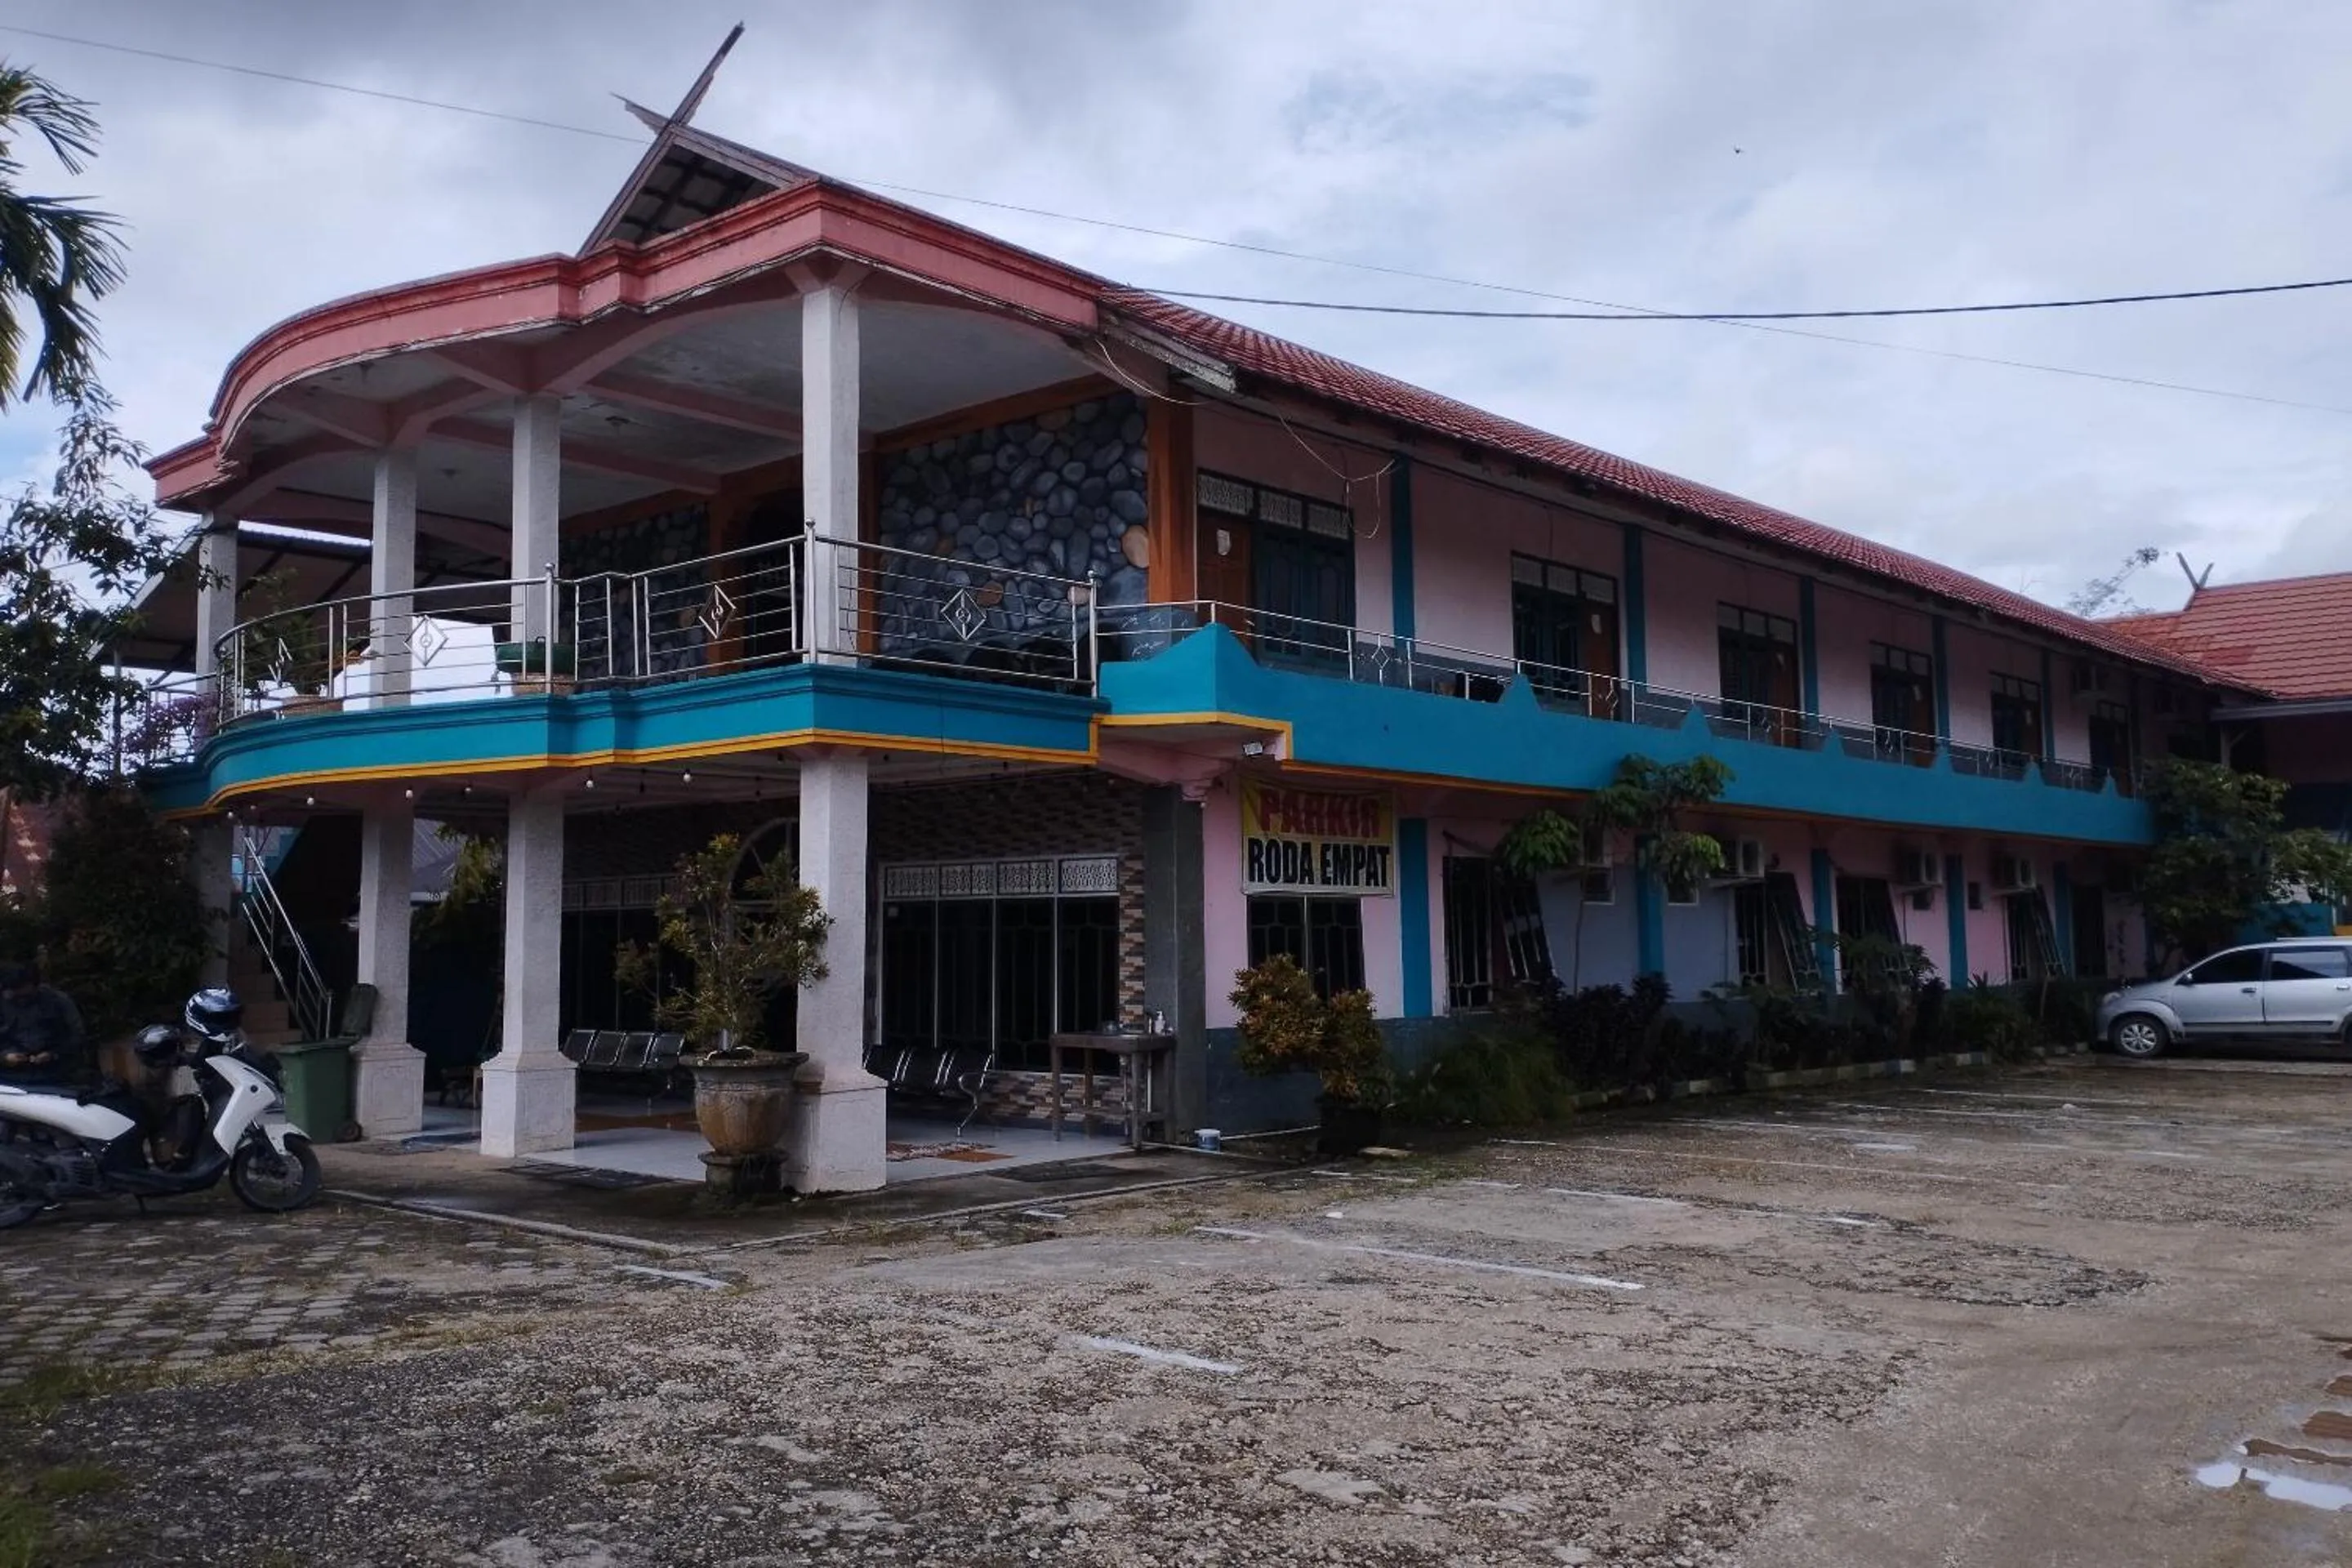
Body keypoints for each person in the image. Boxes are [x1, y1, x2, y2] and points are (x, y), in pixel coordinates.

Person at [0, 962, 87, 1088]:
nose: (21, 1001)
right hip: (9, 1077)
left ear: (36, 986)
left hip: (57, 1074)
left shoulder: (58, 1001)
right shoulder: (2, 1003)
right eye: (15, 996)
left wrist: (53, 1054)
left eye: (25, 996)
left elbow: (78, 1036)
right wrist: (4, 1058)